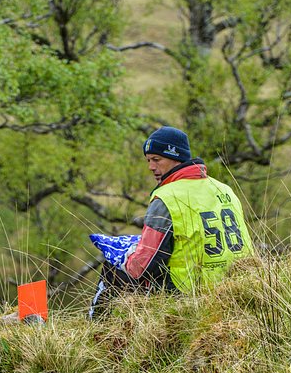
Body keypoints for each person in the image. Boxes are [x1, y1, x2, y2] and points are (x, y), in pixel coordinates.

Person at [89, 126, 255, 317]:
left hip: (186, 293)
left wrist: (123, 256)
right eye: (148, 160)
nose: (151, 167)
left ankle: (96, 327)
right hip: (235, 285)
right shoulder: (224, 189)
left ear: (176, 156)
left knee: (112, 267)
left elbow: (143, 266)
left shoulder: (166, 197)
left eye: (156, 159)